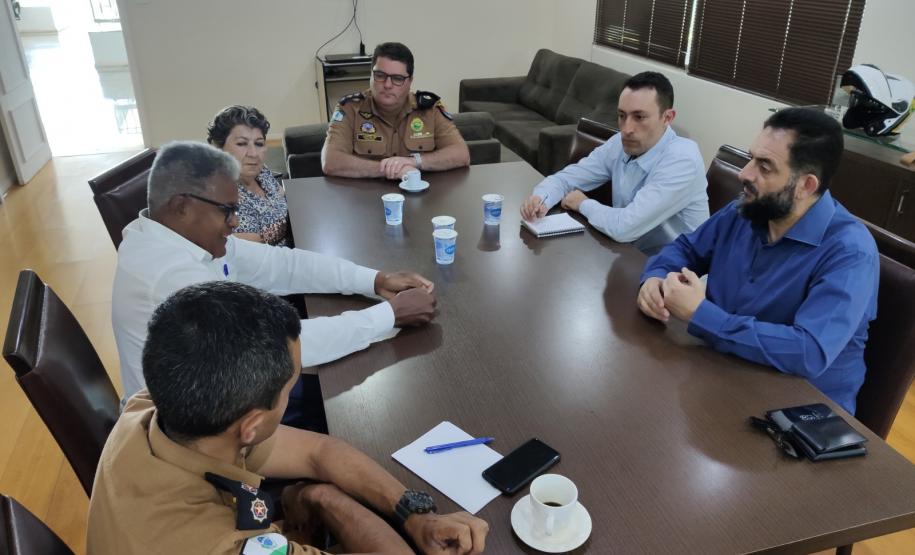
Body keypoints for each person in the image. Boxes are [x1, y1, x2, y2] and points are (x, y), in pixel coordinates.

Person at [90, 281, 489, 554]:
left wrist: (416, 515)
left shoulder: (153, 406)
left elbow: (319, 452)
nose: (291, 396)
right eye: (289, 388)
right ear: (250, 427)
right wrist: (323, 498)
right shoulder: (221, 547)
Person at [112, 141, 436, 401]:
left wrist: (374, 279)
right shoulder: (169, 275)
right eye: (227, 211)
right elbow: (275, 347)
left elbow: (282, 264)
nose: (236, 222)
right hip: (193, 434)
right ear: (182, 206)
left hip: (221, 389)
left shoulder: (184, 238)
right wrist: (388, 315)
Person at [638, 108, 878, 414]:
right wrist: (656, 277)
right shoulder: (746, 210)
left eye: (765, 166)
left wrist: (701, 314)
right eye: (751, 158)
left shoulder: (851, 252)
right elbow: (686, 249)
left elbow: (808, 352)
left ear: (806, 186)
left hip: (798, 412)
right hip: (720, 375)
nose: (744, 174)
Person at [520, 72, 708, 254]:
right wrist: (541, 199)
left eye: (639, 117)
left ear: (667, 118)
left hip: (676, 270)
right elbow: (566, 179)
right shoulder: (620, 142)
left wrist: (583, 204)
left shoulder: (683, 160)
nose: (627, 129)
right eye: (622, 115)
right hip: (627, 254)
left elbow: (624, 228)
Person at [321, 42, 470, 180]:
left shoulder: (429, 109)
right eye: (380, 75)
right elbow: (330, 161)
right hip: (365, 195)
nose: (387, 85)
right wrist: (388, 169)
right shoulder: (350, 109)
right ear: (371, 75)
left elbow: (461, 154)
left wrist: (415, 162)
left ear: (410, 81)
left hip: (419, 193)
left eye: (397, 78)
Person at [207, 105, 290, 246]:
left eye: (259, 144)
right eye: (241, 143)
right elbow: (233, 246)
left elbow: (282, 195)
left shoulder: (261, 171)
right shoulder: (218, 197)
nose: (253, 154)